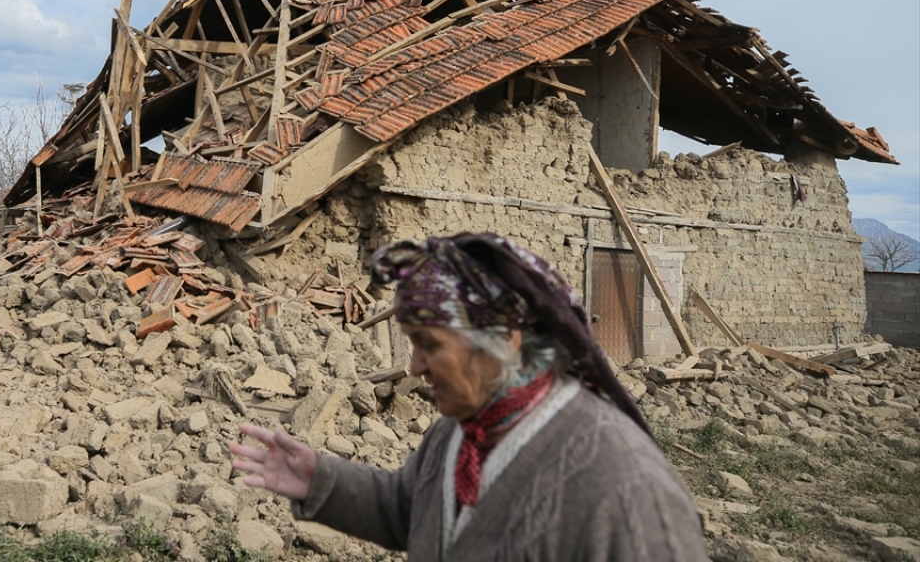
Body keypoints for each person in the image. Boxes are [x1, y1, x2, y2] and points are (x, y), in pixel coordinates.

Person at [230, 233, 708, 561]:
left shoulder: (625, 490)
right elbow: (412, 511)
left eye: (430, 345)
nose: (413, 366)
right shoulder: (458, 434)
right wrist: (320, 481)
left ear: (504, 341)